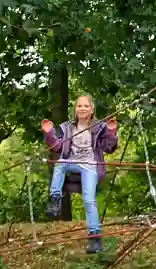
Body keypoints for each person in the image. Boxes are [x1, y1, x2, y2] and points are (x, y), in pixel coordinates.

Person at [43, 95, 118, 254]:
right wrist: (49, 133)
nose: (82, 109)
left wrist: (111, 132)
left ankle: (95, 237)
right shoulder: (67, 128)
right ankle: (55, 200)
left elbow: (108, 148)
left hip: (90, 166)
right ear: (75, 110)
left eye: (86, 106)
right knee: (60, 163)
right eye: (79, 106)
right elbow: (57, 148)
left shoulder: (99, 127)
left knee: (89, 200)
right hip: (72, 163)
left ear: (91, 110)